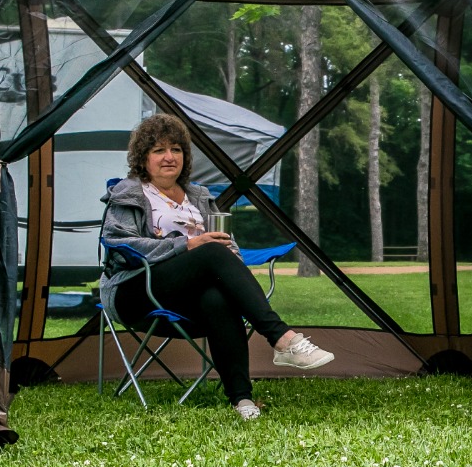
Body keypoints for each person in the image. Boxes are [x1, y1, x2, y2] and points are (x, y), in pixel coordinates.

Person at [101, 113, 334, 420]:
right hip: (136, 289)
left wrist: (229, 263)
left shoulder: (198, 196)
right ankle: (281, 338)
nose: (169, 157)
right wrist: (185, 244)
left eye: (176, 149)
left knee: (217, 296)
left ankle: (242, 400)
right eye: (158, 150)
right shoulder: (128, 193)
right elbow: (119, 243)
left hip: (189, 293)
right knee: (210, 250)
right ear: (143, 159)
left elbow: (228, 243)